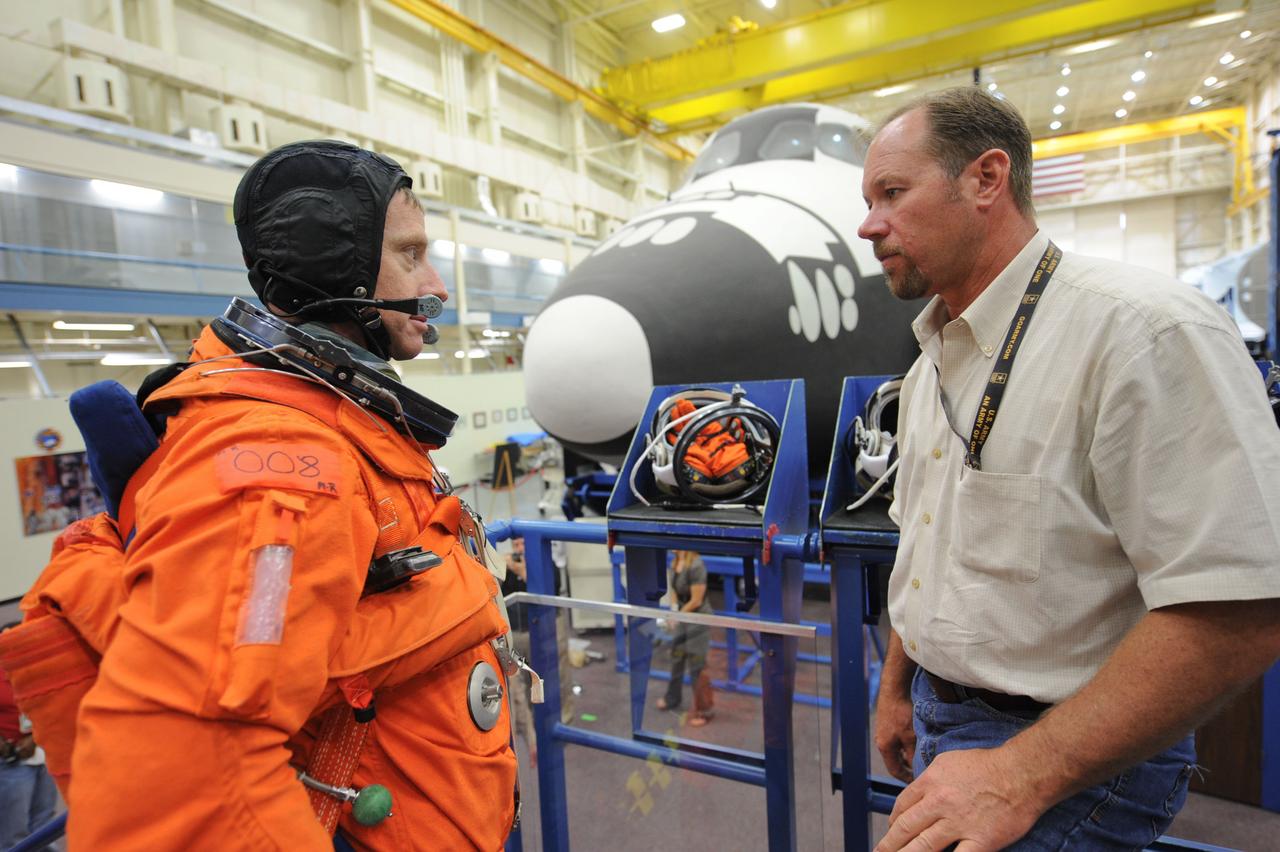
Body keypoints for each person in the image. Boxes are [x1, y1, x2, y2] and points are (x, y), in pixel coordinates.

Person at [61, 141, 518, 850]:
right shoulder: (281, 467)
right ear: (332, 264)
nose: (436, 284)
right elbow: (191, 780)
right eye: (409, 254)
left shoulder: (329, 421)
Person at [857, 86, 1280, 851]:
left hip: (1070, 746)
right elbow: (923, 546)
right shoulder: (929, 370)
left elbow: (1241, 607)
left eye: (893, 192)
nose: (869, 224)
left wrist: (1018, 776)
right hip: (946, 717)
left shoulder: (1143, 333)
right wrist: (897, 691)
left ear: (987, 179)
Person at [0, 657, 58, 850]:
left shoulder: (35, 671)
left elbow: (51, 705)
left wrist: (34, 737)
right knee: (14, 833)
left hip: (42, 756)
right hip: (12, 761)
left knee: (44, 826)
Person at [656, 550, 714, 727]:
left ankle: (705, 711)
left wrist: (677, 616)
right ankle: (672, 698)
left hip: (698, 618)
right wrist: (674, 610)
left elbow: (696, 600)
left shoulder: (697, 565)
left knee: (697, 664)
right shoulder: (675, 562)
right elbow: (673, 590)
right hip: (683, 614)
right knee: (677, 657)